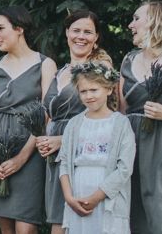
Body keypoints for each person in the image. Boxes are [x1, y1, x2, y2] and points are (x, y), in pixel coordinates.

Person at [0, 6, 57, 234]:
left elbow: (47, 114)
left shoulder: (45, 64)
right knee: (7, 230)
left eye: (1, 28)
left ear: (19, 29)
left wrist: (23, 157)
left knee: (26, 228)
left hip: (30, 153)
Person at [36, 9, 113, 234]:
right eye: (76, 30)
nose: (81, 36)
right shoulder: (59, 72)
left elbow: (106, 120)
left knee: (81, 221)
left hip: (83, 154)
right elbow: (48, 115)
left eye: (88, 32)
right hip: (53, 156)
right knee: (57, 222)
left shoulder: (100, 69)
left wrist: (62, 140)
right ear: (67, 32)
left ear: (96, 37)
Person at [58, 62, 135, 234]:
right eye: (83, 91)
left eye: (94, 90)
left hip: (107, 196)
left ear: (108, 89)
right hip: (78, 193)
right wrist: (69, 198)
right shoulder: (74, 124)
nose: (88, 96)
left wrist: (96, 197)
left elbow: (124, 168)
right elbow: (64, 162)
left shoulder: (121, 123)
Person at [119, 0, 162, 234]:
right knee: (131, 206)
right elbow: (120, 110)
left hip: (159, 142)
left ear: (155, 20)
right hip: (131, 141)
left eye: (137, 18)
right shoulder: (128, 59)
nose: (130, 24)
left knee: (157, 203)